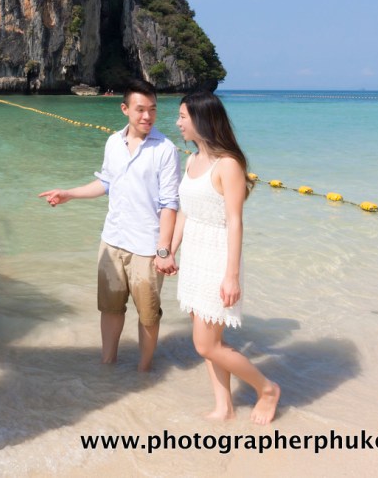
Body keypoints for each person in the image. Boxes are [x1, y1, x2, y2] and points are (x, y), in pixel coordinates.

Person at [39, 80, 180, 372]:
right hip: (112, 240)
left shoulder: (165, 149)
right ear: (125, 109)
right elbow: (105, 182)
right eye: (140, 110)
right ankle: (108, 364)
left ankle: (144, 371)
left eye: (152, 110)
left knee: (148, 315)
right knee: (110, 308)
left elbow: (169, 204)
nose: (147, 117)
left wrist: (164, 249)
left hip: (147, 247)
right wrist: (70, 194)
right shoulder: (113, 142)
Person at [170, 92, 280, 424]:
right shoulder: (191, 160)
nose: (177, 123)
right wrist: (169, 251)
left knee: (205, 345)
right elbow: (184, 213)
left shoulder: (228, 164)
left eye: (183, 117)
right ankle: (224, 407)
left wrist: (231, 276)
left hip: (218, 258)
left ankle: (268, 389)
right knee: (210, 341)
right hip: (193, 256)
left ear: (202, 119)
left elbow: (235, 221)